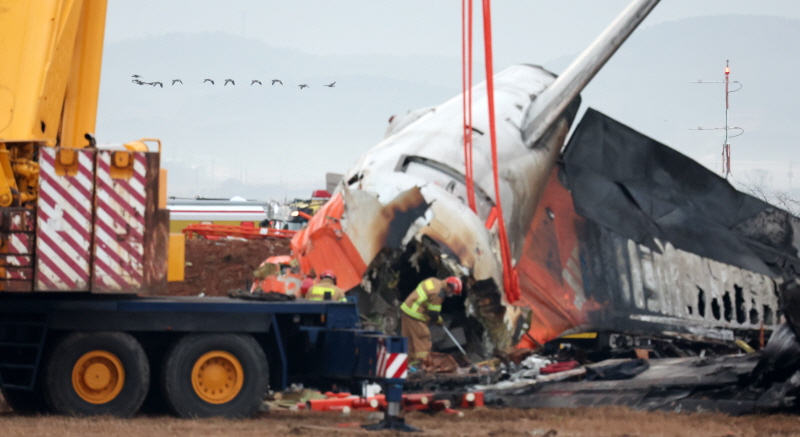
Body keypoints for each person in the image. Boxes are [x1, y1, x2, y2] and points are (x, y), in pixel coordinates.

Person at [400, 276, 462, 362]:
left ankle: (410, 364)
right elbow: (433, 313)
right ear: (449, 286)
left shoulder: (433, 281)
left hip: (406, 309)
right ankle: (424, 363)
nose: (450, 294)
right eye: (452, 292)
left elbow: (427, 300)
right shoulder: (439, 293)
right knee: (423, 338)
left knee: (409, 340)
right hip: (415, 315)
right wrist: (439, 321)